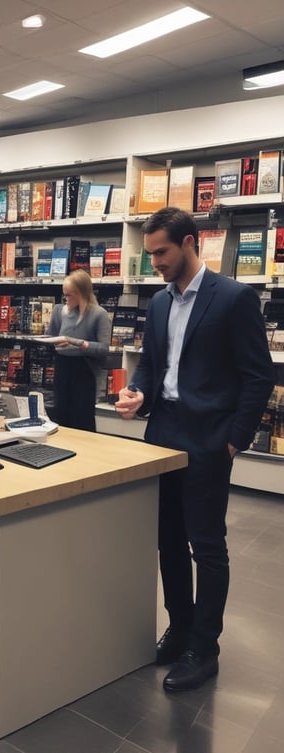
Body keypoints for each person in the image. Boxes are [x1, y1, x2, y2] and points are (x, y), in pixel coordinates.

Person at [115, 207, 274, 692]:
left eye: (162, 252)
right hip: (162, 432)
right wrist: (137, 393)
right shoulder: (160, 303)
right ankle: (180, 626)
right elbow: (150, 364)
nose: (155, 262)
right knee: (167, 539)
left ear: (190, 243)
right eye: (150, 254)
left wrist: (233, 441)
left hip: (209, 439)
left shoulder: (234, 298)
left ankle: (205, 648)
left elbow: (258, 375)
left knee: (206, 545)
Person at [44, 268, 111, 431]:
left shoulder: (99, 314)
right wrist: (53, 342)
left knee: (82, 418)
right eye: (64, 295)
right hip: (62, 367)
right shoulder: (59, 311)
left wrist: (78, 343)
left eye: (69, 295)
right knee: (61, 415)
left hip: (84, 370)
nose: (65, 299)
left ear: (82, 293)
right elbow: (49, 336)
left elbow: (103, 349)